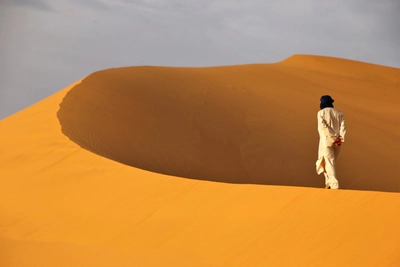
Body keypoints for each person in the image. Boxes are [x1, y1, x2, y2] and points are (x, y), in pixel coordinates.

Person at [316, 95, 346, 189]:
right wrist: (340, 138)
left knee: (329, 162)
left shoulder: (321, 113)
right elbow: (343, 127)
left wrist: (334, 138)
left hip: (327, 142)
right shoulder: (339, 113)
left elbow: (324, 127)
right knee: (327, 161)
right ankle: (328, 182)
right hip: (337, 143)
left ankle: (334, 184)